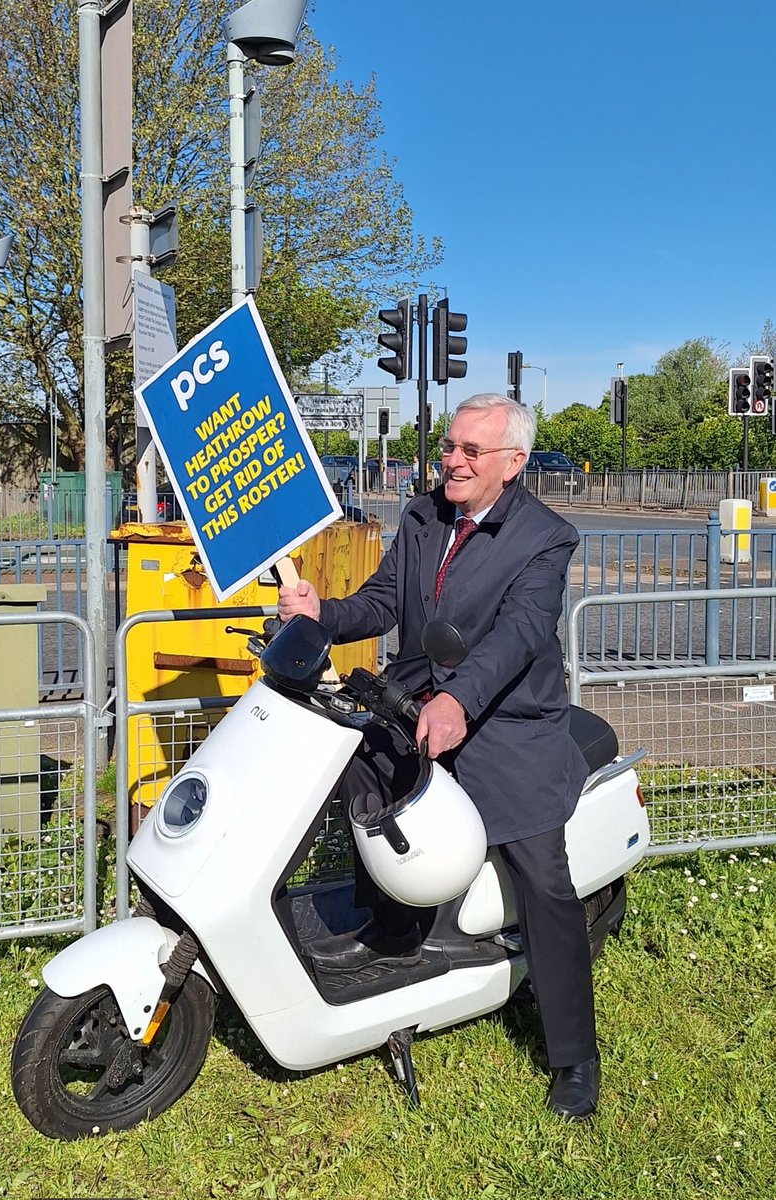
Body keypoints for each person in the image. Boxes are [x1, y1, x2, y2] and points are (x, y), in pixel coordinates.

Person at [278, 393, 599, 1119]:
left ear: (512, 464)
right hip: (416, 701)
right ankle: (392, 933)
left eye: (469, 452)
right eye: (448, 446)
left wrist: (461, 701)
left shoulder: (546, 538)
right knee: (360, 780)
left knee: (543, 879)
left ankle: (576, 1056)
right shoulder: (425, 514)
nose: (450, 460)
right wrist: (319, 613)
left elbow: (520, 632)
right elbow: (384, 601)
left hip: (507, 722)